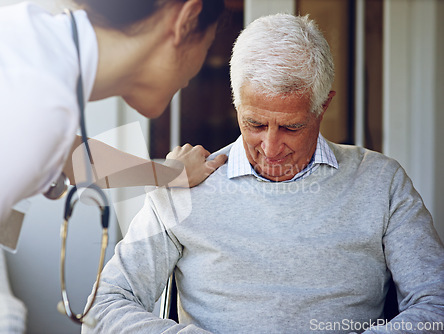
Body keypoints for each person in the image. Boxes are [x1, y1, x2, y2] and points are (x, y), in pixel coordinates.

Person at [82, 13, 444, 333]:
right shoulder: (183, 185)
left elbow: (436, 305)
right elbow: (102, 309)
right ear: (236, 102)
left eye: (291, 127)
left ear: (324, 107)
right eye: (254, 124)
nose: (270, 148)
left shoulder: (382, 182)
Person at [0, 0, 228, 304]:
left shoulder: (34, 49)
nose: (195, 72)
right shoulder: (31, 101)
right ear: (186, 19)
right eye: (208, 44)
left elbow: (73, 156)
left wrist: (171, 174)